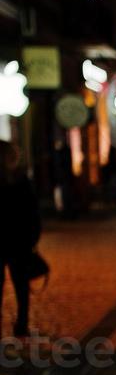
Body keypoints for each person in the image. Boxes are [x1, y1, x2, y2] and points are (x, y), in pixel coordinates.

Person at [0, 141, 42, 343]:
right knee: (21, 284)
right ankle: (22, 323)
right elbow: (32, 210)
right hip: (19, 240)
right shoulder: (20, 179)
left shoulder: (18, 179)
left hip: (7, 240)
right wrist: (33, 236)